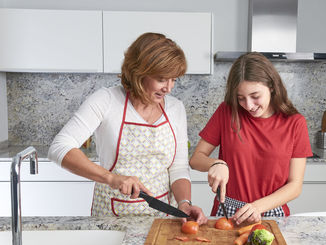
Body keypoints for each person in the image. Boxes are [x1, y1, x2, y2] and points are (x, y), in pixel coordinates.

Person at [48, 32, 207, 224]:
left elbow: (178, 167)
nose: (169, 88)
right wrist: (112, 178)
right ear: (139, 72)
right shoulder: (106, 100)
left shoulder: (175, 108)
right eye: (162, 79)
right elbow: (59, 147)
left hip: (162, 218)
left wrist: (184, 203)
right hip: (111, 218)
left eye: (174, 79)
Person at [189, 52, 312, 225]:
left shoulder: (295, 123)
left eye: (255, 96)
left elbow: (295, 185)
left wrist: (257, 207)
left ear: (271, 86)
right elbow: (196, 159)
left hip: (272, 212)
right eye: (241, 98)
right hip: (228, 213)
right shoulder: (227, 112)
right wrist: (216, 163)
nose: (248, 106)